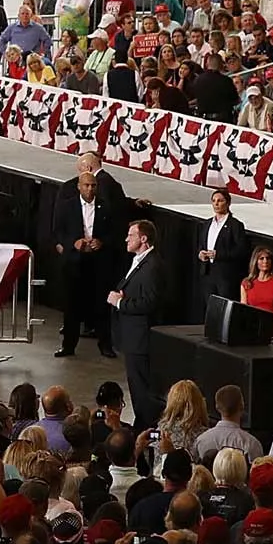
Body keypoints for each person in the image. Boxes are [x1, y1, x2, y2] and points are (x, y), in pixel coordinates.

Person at [43, 165, 120, 358]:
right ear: (78, 186)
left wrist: (101, 242)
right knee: (71, 306)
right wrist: (73, 243)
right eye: (86, 185)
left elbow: (115, 234)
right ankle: (68, 346)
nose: (90, 189)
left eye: (93, 185)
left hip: (98, 263)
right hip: (74, 263)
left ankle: (105, 345)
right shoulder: (67, 206)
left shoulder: (105, 206)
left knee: (101, 306)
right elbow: (58, 232)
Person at [108, 219, 163, 428]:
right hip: (132, 337)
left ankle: (146, 428)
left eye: (130, 235)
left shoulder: (152, 266)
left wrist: (121, 302)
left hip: (140, 339)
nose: (126, 239)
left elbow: (150, 302)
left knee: (142, 389)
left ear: (143, 238)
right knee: (136, 386)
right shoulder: (140, 261)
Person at [194, 188, 250, 303]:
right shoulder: (207, 223)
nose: (216, 203)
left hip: (225, 276)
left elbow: (241, 251)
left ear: (228, 203)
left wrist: (218, 255)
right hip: (208, 273)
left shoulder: (235, 225)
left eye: (220, 200)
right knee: (210, 307)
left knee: (224, 307)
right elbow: (201, 244)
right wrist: (200, 253)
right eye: (214, 201)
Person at [240, 246, 273, 337]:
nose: (265, 261)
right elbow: (243, 310)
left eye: (268, 258)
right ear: (255, 262)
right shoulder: (247, 283)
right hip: (254, 329)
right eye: (261, 258)